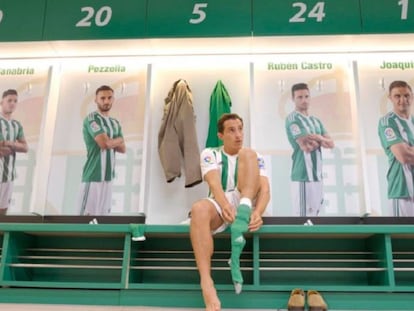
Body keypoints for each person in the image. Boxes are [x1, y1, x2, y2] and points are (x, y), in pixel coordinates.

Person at [190, 113, 270, 311]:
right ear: (220, 135)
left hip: (245, 202)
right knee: (198, 209)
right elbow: (214, 184)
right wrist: (224, 204)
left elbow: (265, 190)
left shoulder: (254, 156)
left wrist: (258, 212)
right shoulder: (210, 153)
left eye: (240, 129)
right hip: (220, 201)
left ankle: (242, 215)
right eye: (232, 130)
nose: (238, 135)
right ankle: (207, 283)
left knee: (248, 154)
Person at [285, 83, 334, 217]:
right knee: (302, 218)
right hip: (302, 176)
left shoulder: (315, 120)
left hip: (317, 176)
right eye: (299, 97)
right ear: (293, 99)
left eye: (306, 96)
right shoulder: (292, 119)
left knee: (315, 215)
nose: (304, 100)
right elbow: (306, 147)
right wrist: (322, 140)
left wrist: (318, 138)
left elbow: (331, 144)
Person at [79, 85, 126, 216]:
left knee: (103, 219)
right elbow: (104, 144)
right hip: (93, 176)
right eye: (103, 98)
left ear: (113, 99)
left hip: (109, 177)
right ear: (96, 100)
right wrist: (118, 139)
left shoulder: (115, 123)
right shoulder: (92, 119)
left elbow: (123, 148)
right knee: (86, 220)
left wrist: (114, 141)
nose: (106, 101)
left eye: (109, 98)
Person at [378, 80, 414, 216]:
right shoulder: (387, 122)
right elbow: (403, 156)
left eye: (406, 95)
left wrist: (410, 150)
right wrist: (407, 151)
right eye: (397, 96)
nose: (402, 100)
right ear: (390, 98)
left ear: (412, 96)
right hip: (402, 191)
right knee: (403, 236)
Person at [0, 89, 28, 215]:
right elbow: (4, 151)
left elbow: (25, 147)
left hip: (9, 175)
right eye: (9, 100)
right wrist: (14, 145)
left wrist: (9, 143)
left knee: (3, 211)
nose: (12, 103)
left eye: (15, 101)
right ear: (2, 102)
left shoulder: (17, 125)